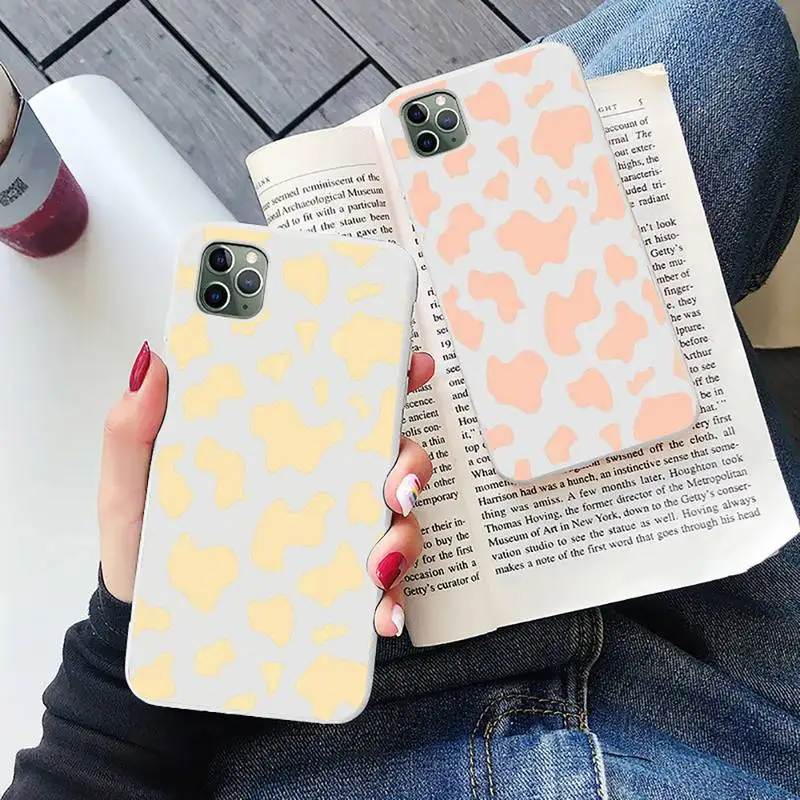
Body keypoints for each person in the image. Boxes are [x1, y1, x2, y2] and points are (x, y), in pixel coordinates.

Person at [5, 0, 800, 797]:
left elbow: (83, 767)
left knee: (727, 42)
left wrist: (128, 620)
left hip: (311, 677)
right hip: (733, 713)